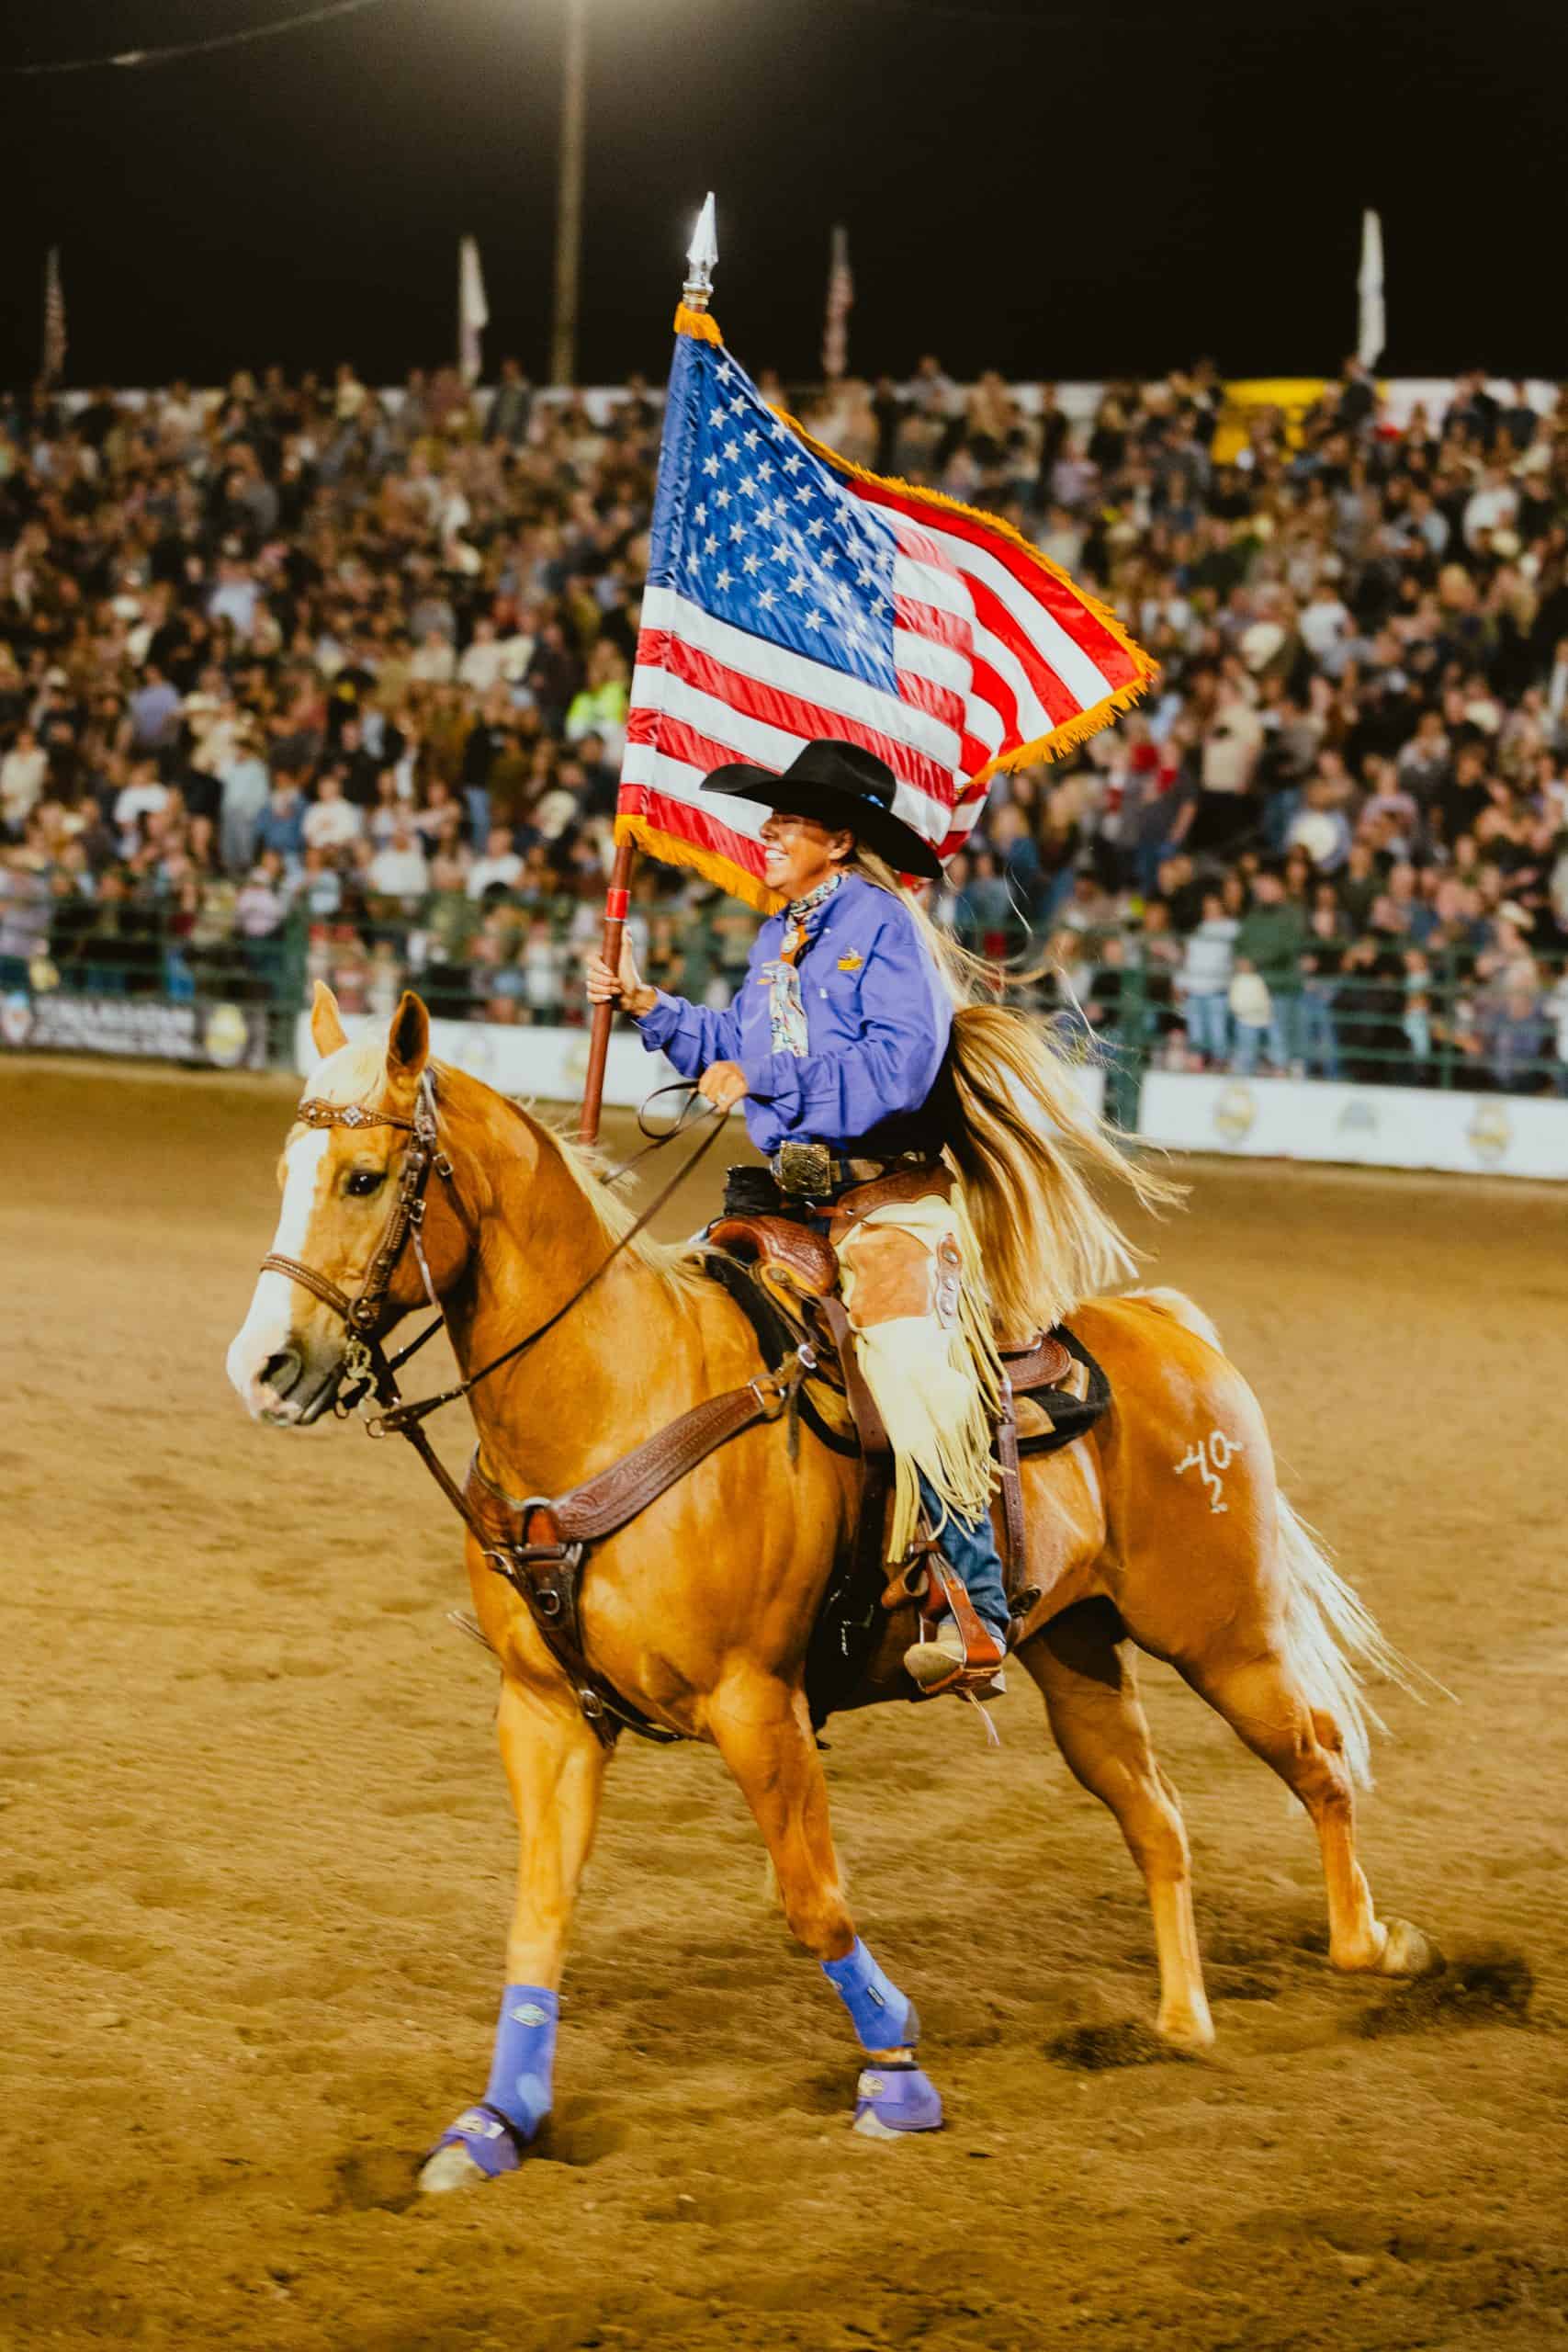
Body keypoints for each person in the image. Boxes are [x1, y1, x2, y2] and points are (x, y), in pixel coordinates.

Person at [587, 740, 1165, 1700]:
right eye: (771, 819)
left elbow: (898, 1067)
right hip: (789, 1201)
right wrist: (653, 1008)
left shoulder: (885, 927)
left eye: (789, 821)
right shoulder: (781, 935)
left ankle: (970, 1603)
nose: (767, 832)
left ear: (840, 838)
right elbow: (739, 1039)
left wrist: (765, 1076)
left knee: (913, 1362)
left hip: (891, 1202)